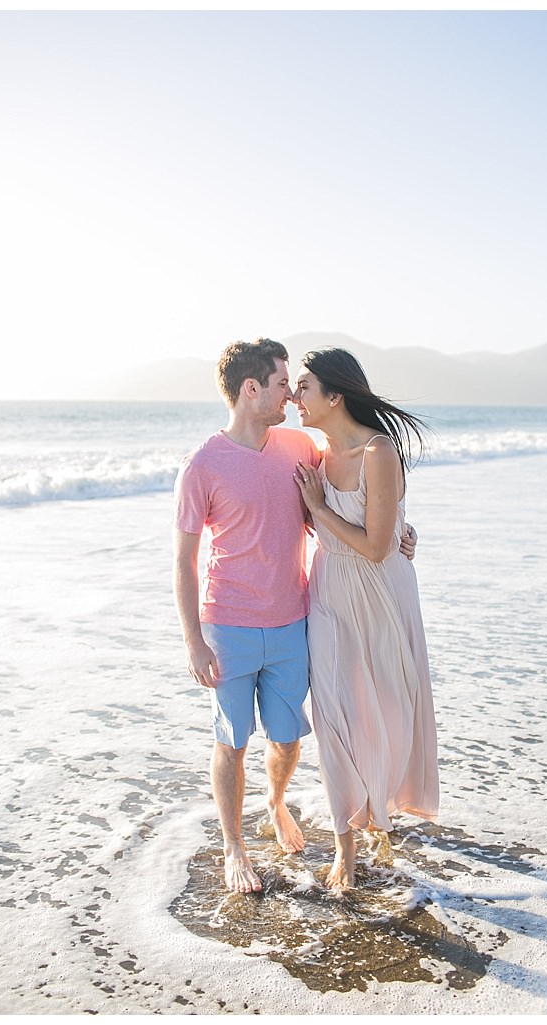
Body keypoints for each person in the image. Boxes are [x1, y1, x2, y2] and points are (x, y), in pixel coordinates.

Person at [172, 338, 418, 895]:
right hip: (228, 624)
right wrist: (193, 640)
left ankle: (275, 800)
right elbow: (183, 562)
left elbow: (352, 502)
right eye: (284, 383)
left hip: (293, 619)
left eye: (296, 384)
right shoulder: (202, 466)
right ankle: (235, 848)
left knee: (287, 739)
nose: (291, 392)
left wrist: (401, 529)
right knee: (232, 740)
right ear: (251, 389)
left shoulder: (298, 447)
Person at [293, 346, 439, 890]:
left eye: (303, 387)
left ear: (335, 396)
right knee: (334, 712)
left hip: (382, 592)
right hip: (328, 588)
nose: (293, 397)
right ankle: (344, 848)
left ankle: (381, 806)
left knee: (389, 708)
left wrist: (320, 508)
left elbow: (379, 547)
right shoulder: (311, 451)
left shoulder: (379, 451)